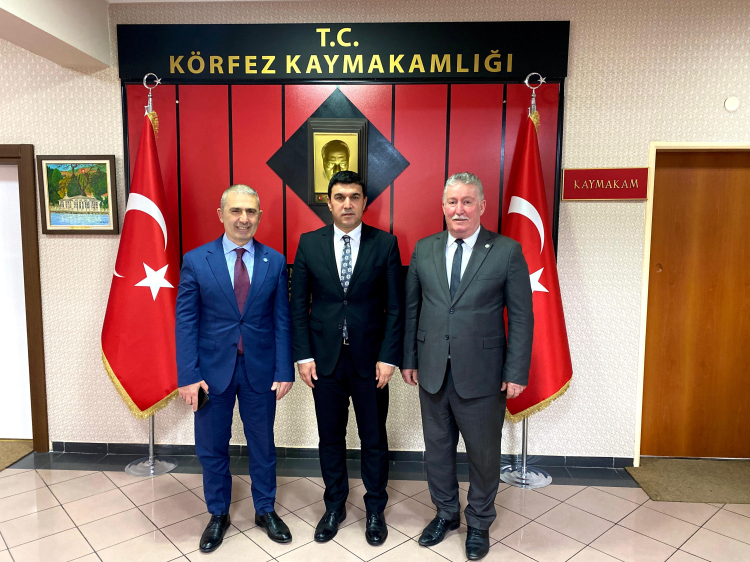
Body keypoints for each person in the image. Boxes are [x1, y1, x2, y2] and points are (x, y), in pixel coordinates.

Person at [401, 172, 534, 561]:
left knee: (483, 454)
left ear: (481, 206)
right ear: (443, 206)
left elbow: (522, 317)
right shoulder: (424, 249)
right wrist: (409, 359)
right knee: (437, 451)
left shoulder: (506, 251)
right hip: (432, 371)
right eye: (452, 202)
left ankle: (479, 521)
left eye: (467, 201)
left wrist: (516, 371)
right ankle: (445, 513)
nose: (459, 209)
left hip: (484, 373)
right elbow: (412, 309)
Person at [176, 185, 294, 553]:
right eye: (236, 211)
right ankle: (218, 513)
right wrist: (188, 375)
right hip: (211, 373)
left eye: (251, 212)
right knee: (212, 446)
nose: (244, 219)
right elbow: (185, 322)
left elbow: (282, 320)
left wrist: (284, 369)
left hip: (261, 369)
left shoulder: (275, 261)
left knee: (263, 444)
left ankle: (265, 509)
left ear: (259, 216)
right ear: (221, 214)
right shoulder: (197, 260)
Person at [290, 170, 404, 546]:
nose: (347, 204)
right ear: (329, 202)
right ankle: (334, 506)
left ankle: (375, 509)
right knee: (330, 438)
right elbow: (298, 305)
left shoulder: (385, 244)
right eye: (340, 197)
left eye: (354, 197)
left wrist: (389, 357)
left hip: (371, 363)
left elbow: (395, 307)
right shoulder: (309, 244)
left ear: (364, 202)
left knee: (374, 438)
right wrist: (303, 355)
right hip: (324, 361)